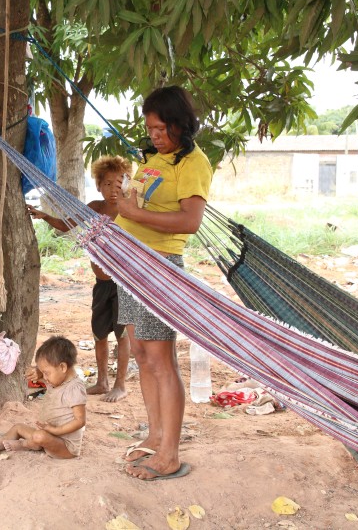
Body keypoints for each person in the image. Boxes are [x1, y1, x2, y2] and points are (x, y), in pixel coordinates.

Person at [114, 85, 213, 481]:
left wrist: (133, 216)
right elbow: (133, 204)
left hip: (160, 267)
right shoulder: (153, 159)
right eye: (150, 129)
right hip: (130, 264)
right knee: (139, 351)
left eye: (159, 129)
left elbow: (190, 221)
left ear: (178, 124)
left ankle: (170, 454)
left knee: (160, 358)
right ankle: (155, 436)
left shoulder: (193, 164)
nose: (153, 136)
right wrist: (122, 210)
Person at [27, 156, 132, 402]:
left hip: (124, 283)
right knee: (99, 333)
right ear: (98, 185)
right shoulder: (95, 207)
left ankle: (121, 384)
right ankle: (102, 381)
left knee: (123, 334)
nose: (113, 189)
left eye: (119, 183)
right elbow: (67, 225)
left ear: (127, 184)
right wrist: (43, 216)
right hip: (102, 283)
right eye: (107, 184)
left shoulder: (130, 209)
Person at [0, 336, 86, 459]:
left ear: (62, 367)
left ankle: (24, 444)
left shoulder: (75, 389)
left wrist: (55, 431)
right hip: (49, 434)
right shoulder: (57, 380)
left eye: (46, 373)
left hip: (65, 447)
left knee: (40, 436)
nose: (45, 377)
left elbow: (80, 421)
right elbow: (44, 377)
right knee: (18, 428)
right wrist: (38, 372)